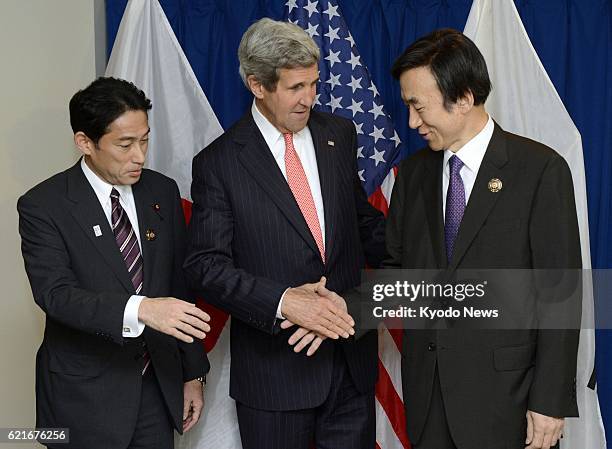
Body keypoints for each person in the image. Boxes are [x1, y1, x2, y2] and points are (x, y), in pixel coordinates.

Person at [184, 18, 386, 449]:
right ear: (258, 85)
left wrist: (435, 242)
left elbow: (360, 223)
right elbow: (205, 266)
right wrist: (283, 302)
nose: (309, 98)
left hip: (349, 364)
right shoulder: (219, 163)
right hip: (274, 378)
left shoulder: (338, 135)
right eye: (296, 87)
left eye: (314, 84)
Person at [387, 29, 580, 449]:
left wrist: (550, 401)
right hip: (430, 399)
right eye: (408, 107)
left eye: (418, 107)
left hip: (509, 403)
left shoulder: (540, 170)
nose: (412, 122)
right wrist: (337, 307)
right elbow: (396, 272)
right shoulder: (414, 174)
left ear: (464, 97)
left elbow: (560, 295)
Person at [18, 77, 211, 449]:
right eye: (125, 144)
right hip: (83, 399)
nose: (140, 155)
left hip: (156, 390)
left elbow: (178, 288)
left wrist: (193, 374)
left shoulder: (162, 191)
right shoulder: (44, 205)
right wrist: (142, 309)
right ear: (85, 143)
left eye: (145, 140)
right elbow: (55, 295)